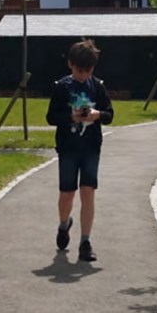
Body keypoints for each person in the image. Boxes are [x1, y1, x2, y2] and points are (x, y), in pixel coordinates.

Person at [46, 39, 114, 262]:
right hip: (68, 148)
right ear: (70, 64)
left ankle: (85, 241)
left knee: (88, 192)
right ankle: (64, 224)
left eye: (87, 71)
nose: (83, 75)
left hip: (91, 148)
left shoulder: (98, 86)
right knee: (67, 193)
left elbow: (110, 115)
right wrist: (70, 117)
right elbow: (50, 117)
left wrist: (96, 115)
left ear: (93, 69)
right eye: (79, 70)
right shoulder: (61, 87)